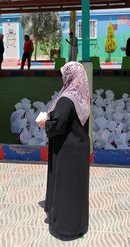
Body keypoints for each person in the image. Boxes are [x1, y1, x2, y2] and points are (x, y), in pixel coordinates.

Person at [37, 61, 91, 240]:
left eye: (64, 74)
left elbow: (57, 126)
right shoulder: (82, 96)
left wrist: (45, 123)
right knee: (77, 189)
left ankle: (64, 228)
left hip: (66, 152)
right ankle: (79, 224)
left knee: (65, 188)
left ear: (70, 76)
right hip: (79, 150)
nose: (63, 78)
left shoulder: (67, 98)